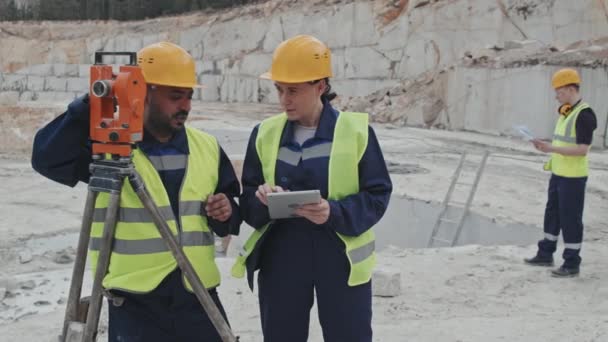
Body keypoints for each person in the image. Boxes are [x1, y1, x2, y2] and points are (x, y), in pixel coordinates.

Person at [31, 42, 241, 341]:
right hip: (136, 305)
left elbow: (229, 214)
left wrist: (226, 212)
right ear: (143, 91)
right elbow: (45, 158)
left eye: (189, 96)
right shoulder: (108, 147)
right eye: (175, 96)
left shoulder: (205, 146)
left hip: (198, 297)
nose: (185, 106)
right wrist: (90, 105)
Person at [231, 35, 393, 341]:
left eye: (293, 90)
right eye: (279, 89)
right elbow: (249, 202)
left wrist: (333, 211)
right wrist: (263, 201)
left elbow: (377, 196)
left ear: (320, 86)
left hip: (339, 257)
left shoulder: (355, 131)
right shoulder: (264, 134)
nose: (284, 100)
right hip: (281, 256)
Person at [524, 68, 597, 278]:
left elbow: (583, 149)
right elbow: (562, 142)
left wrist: (552, 149)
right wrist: (545, 146)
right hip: (558, 174)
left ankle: (572, 263)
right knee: (552, 214)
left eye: (559, 91)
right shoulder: (566, 112)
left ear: (571, 88)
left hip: (573, 178)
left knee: (570, 219)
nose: (556, 95)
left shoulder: (584, 114)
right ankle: (545, 253)